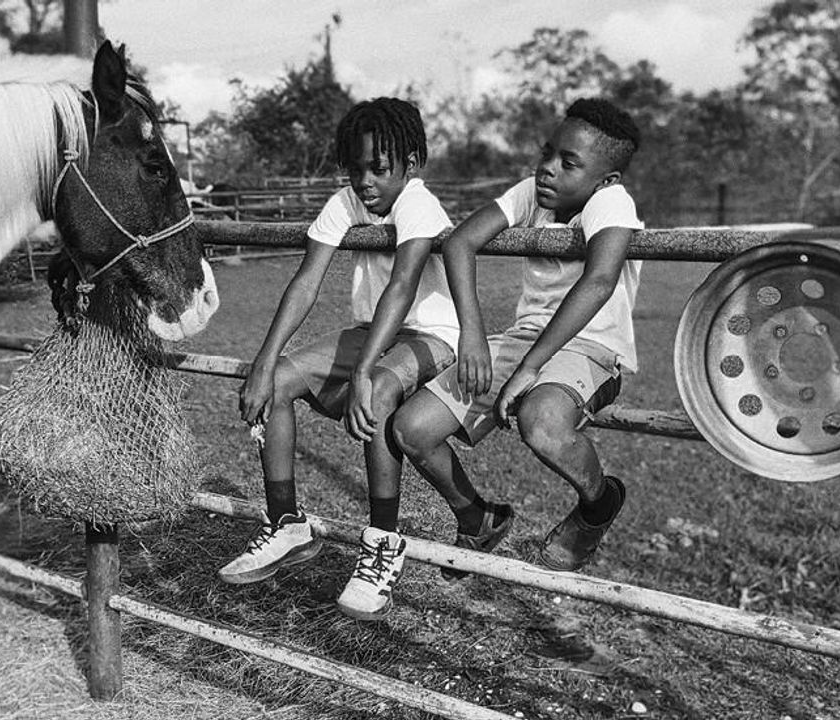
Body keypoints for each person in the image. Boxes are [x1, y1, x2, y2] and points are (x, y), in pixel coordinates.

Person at [219, 97, 459, 620]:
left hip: (431, 335)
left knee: (379, 394)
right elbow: (307, 281)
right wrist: (264, 360)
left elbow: (401, 287)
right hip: (372, 330)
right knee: (279, 382)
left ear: (411, 165)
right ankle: (287, 524)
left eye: (379, 168)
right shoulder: (347, 201)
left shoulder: (418, 203)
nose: (365, 181)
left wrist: (367, 373)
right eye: (355, 170)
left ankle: (383, 543)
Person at [393, 98, 643, 579]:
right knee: (411, 429)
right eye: (548, 153)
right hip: (522, 339)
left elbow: (599, 281)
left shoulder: (612, 200)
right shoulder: (534, 191)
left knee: (542, 422)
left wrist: (529, 369)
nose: (547, 169)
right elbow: (462, 242)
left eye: (568, 163)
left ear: (605, 177)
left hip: (591, 346)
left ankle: (599, 504)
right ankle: (477, 517)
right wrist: (472, 336)